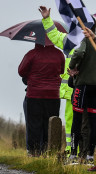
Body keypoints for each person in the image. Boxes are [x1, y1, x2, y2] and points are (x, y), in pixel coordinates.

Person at [40, 6, 93, 163]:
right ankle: (72, 150)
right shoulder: (69, 39)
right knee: (72, 121)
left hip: (88, 88)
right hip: (72, 89)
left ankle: (87, 151)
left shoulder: (92, 41)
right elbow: (53, 34)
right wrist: (46, 18)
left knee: (88, 121)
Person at [18, 43, 65, 156]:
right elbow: (61, 71)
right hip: (53, 95)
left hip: (34, 94)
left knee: (33, 124)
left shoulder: (32, 54)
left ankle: (34, 152)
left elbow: (21, 71)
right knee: (49, 125)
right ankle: (47, 151)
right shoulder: (59, 54)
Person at [68, 27, 96, 167]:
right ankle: (90, 156)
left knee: (77, 121)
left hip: (83, 85)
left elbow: (79, 52)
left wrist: (72, 67)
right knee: (93, 122)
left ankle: (73, 154)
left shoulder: (87, 40)